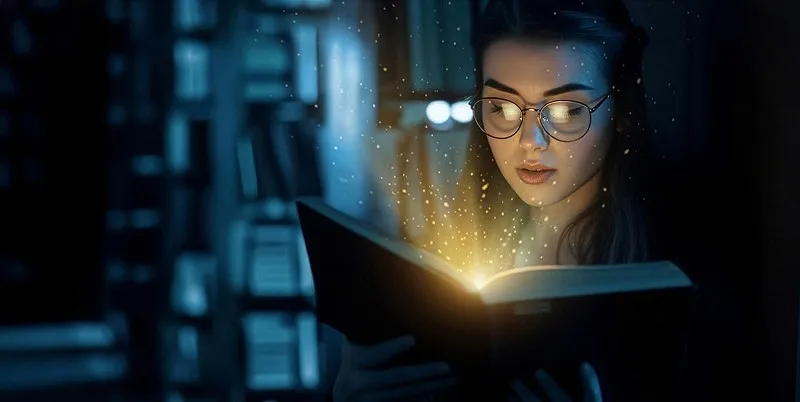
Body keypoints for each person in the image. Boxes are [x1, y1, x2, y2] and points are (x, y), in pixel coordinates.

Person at [331, 0, 656, 400]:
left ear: (622, 109)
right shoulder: (438, 263)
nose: (529, 141)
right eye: (502, 107)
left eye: (565, 111)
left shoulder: (679, 269)